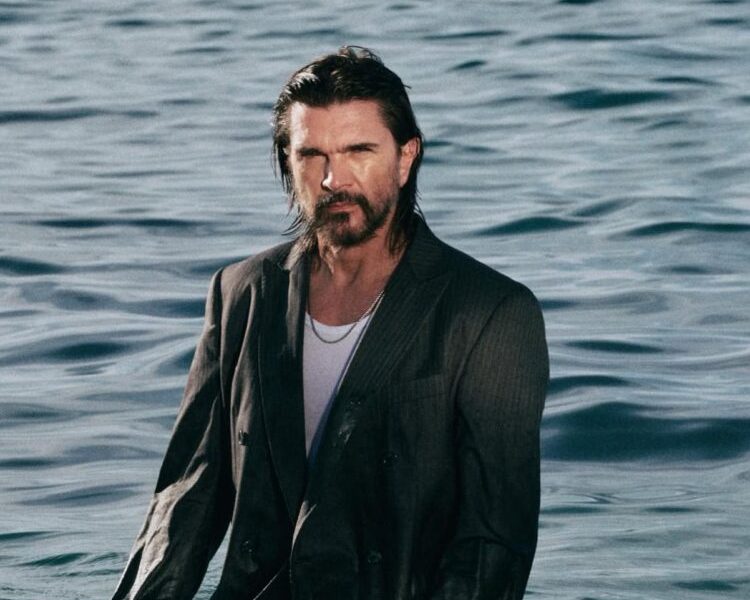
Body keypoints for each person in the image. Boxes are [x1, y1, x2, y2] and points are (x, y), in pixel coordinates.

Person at [112, 46, 549, 600]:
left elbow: (492, 543)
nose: (332, 178)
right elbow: (185, 502)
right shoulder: (242, 293)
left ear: (406, 157)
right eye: (311, 155)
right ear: (287, 161)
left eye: (358, 151)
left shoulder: (488, 312)